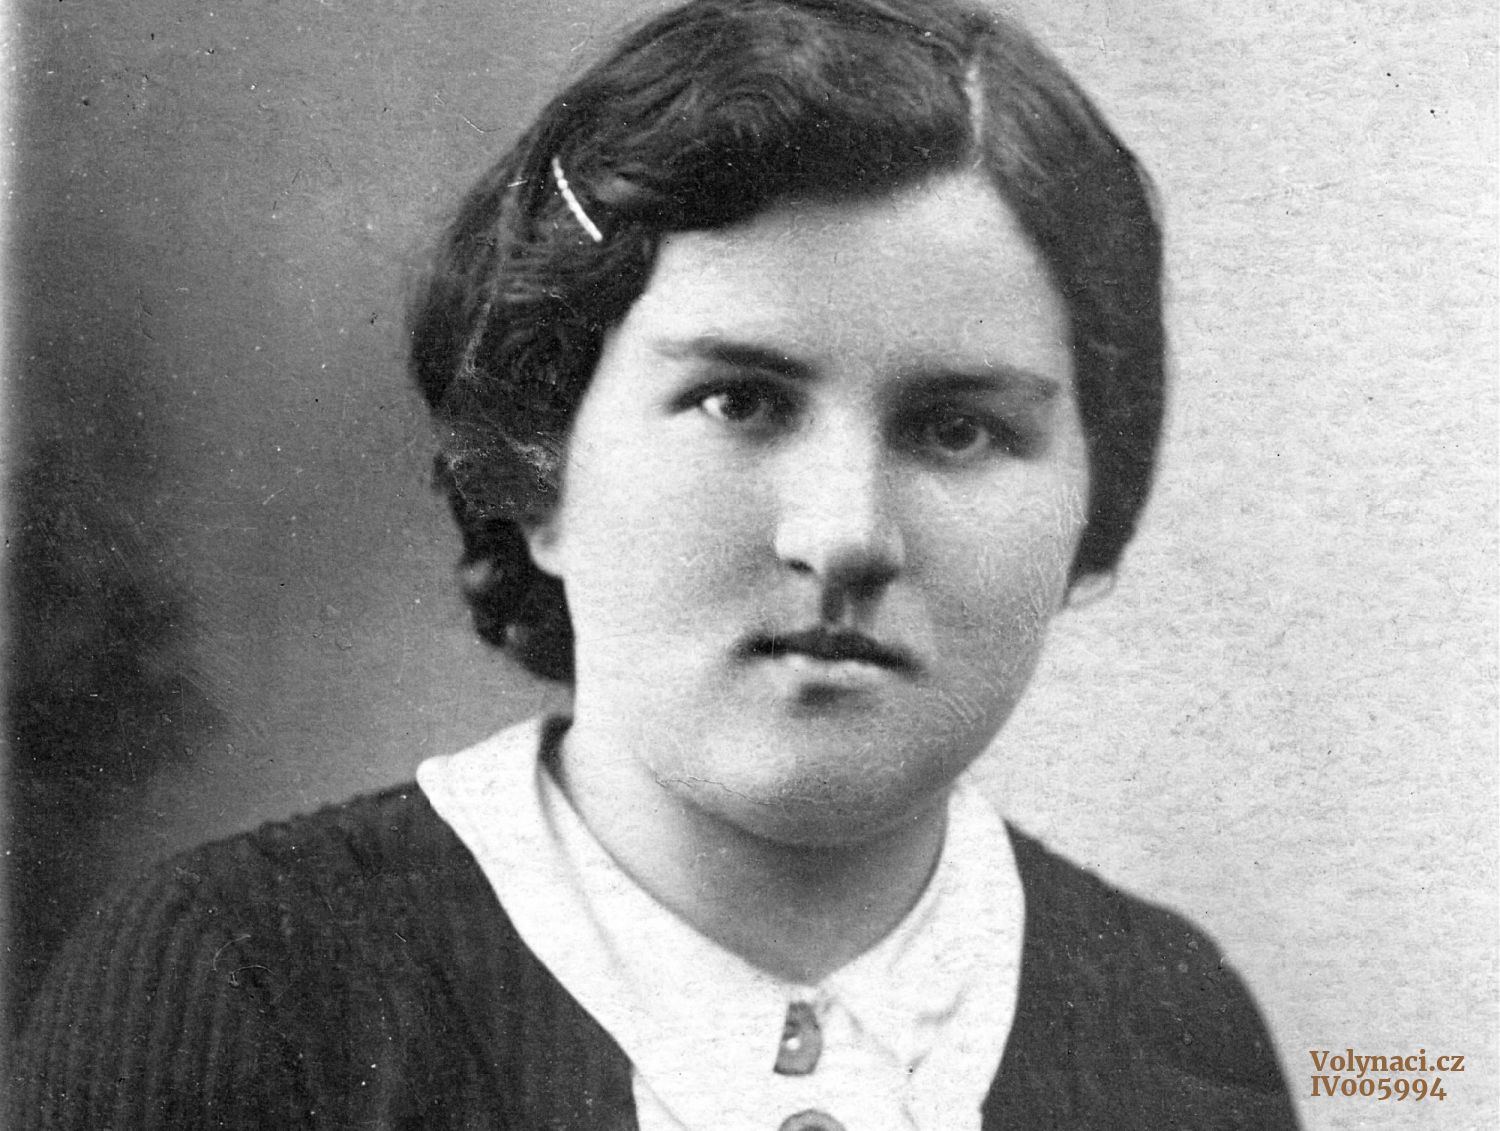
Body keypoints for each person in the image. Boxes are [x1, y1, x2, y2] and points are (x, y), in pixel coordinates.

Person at [11, 0, 1299, 1127]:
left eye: (957, 429)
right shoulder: (243, 988)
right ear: (539, 470)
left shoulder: (1174, 1024)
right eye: (741, 401)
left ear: (1091, 497)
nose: (845, 534)